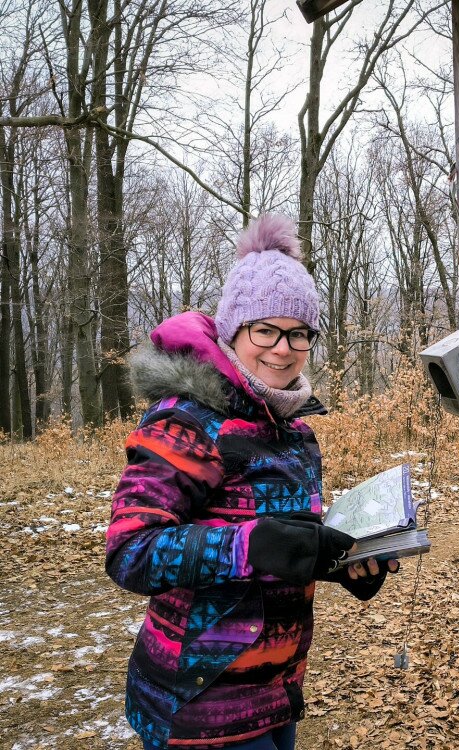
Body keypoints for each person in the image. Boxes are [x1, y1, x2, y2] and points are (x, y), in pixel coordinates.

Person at [106, 214, 398, 750]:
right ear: (232, 331)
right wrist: (252, 544)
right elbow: (131, 551)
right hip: (200, 704)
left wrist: (342, 560)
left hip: (275, 692)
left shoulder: (295, 431)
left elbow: (287, 542)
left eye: (298, 333)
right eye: (264, 329)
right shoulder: (186, 422)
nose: (282, 348)